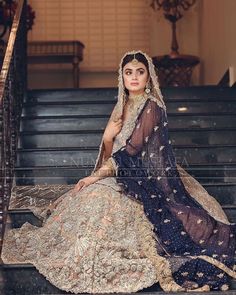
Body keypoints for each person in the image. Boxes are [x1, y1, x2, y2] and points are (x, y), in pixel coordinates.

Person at [1, 50, 236, 293]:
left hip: (146, 178)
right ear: (121, 77)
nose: (134, 77)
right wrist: (107, 138)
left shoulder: (152, 106)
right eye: (128, 72)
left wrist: (95, 176)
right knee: (86, 197)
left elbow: (132, 150)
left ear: (149, 77)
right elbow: (110, 154)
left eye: (140, 72)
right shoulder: (121, 106)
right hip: (120, 174)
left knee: (98, 197)